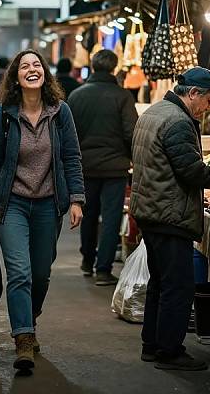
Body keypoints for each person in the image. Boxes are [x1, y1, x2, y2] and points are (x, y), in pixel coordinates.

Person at [130, 67, 210, 371]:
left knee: (161, 282)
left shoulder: (155, 111)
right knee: (178, 286)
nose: (209, 108)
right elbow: (191, 170)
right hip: (169, 213)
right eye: (208, 100)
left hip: (151, 210)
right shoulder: (178, 122)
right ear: (193, 94)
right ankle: (169, 351)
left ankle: (152, 344)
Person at [0, 49, 85, 371]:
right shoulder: (3, 115)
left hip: (49, 204)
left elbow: (72, 157)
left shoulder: (60, 112)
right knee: (20, 272)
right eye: (24, 66)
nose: (31, 69)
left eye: (36, 64)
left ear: (45, 74)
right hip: (11, 204)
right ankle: (23, 338)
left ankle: (29, 317)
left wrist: (77, 199)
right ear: (16, 77)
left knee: (40, 273)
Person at [68, 49, 138, 285]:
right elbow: (131, 133)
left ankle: (87, 260)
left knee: (87, 215)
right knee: (110, 219)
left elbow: (69, 134)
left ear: (93, 66)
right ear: (114, 68)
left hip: (84, 168)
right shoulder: (123, 96)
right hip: (114, 169)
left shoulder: (77, 96)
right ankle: (103, 269)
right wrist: (133, 159)